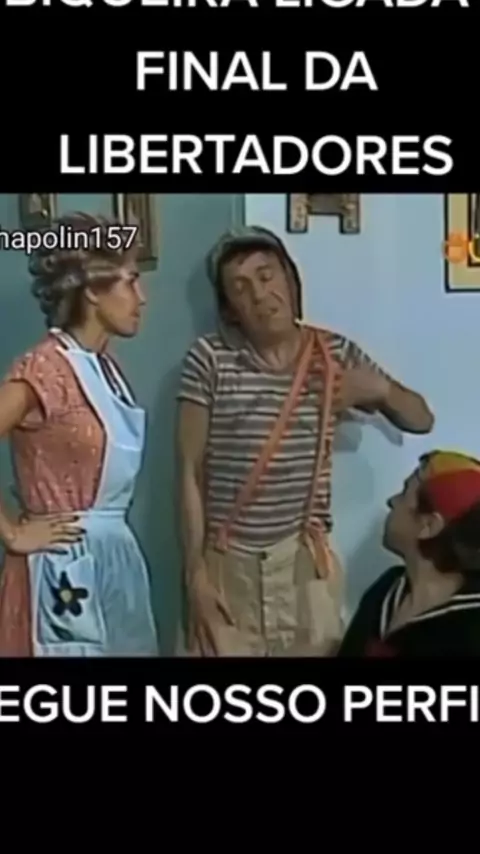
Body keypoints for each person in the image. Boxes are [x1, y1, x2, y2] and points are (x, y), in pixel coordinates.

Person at [176, 225, 434, 657]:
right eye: (240, 287)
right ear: (230, 310)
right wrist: (195, 577)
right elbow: (188, 471)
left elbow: (421, 419)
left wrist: (381, 390)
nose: (260, 294)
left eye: (266, 275)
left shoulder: (332, 353)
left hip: (303, 566)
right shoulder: (209, 359)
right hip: (227, 566)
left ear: (291, 282)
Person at [0, 211, 158, 656]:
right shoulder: (44, 368)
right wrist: (11, 532)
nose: (142, 298)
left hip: (114, 559)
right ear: (92, 290)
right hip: (61, 569)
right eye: (130, 281)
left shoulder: (107, 370)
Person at [337, 450, 480, 657]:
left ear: (428, 526)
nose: (391, 501)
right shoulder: (387, 588)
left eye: (404, 494)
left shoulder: (471, 630)